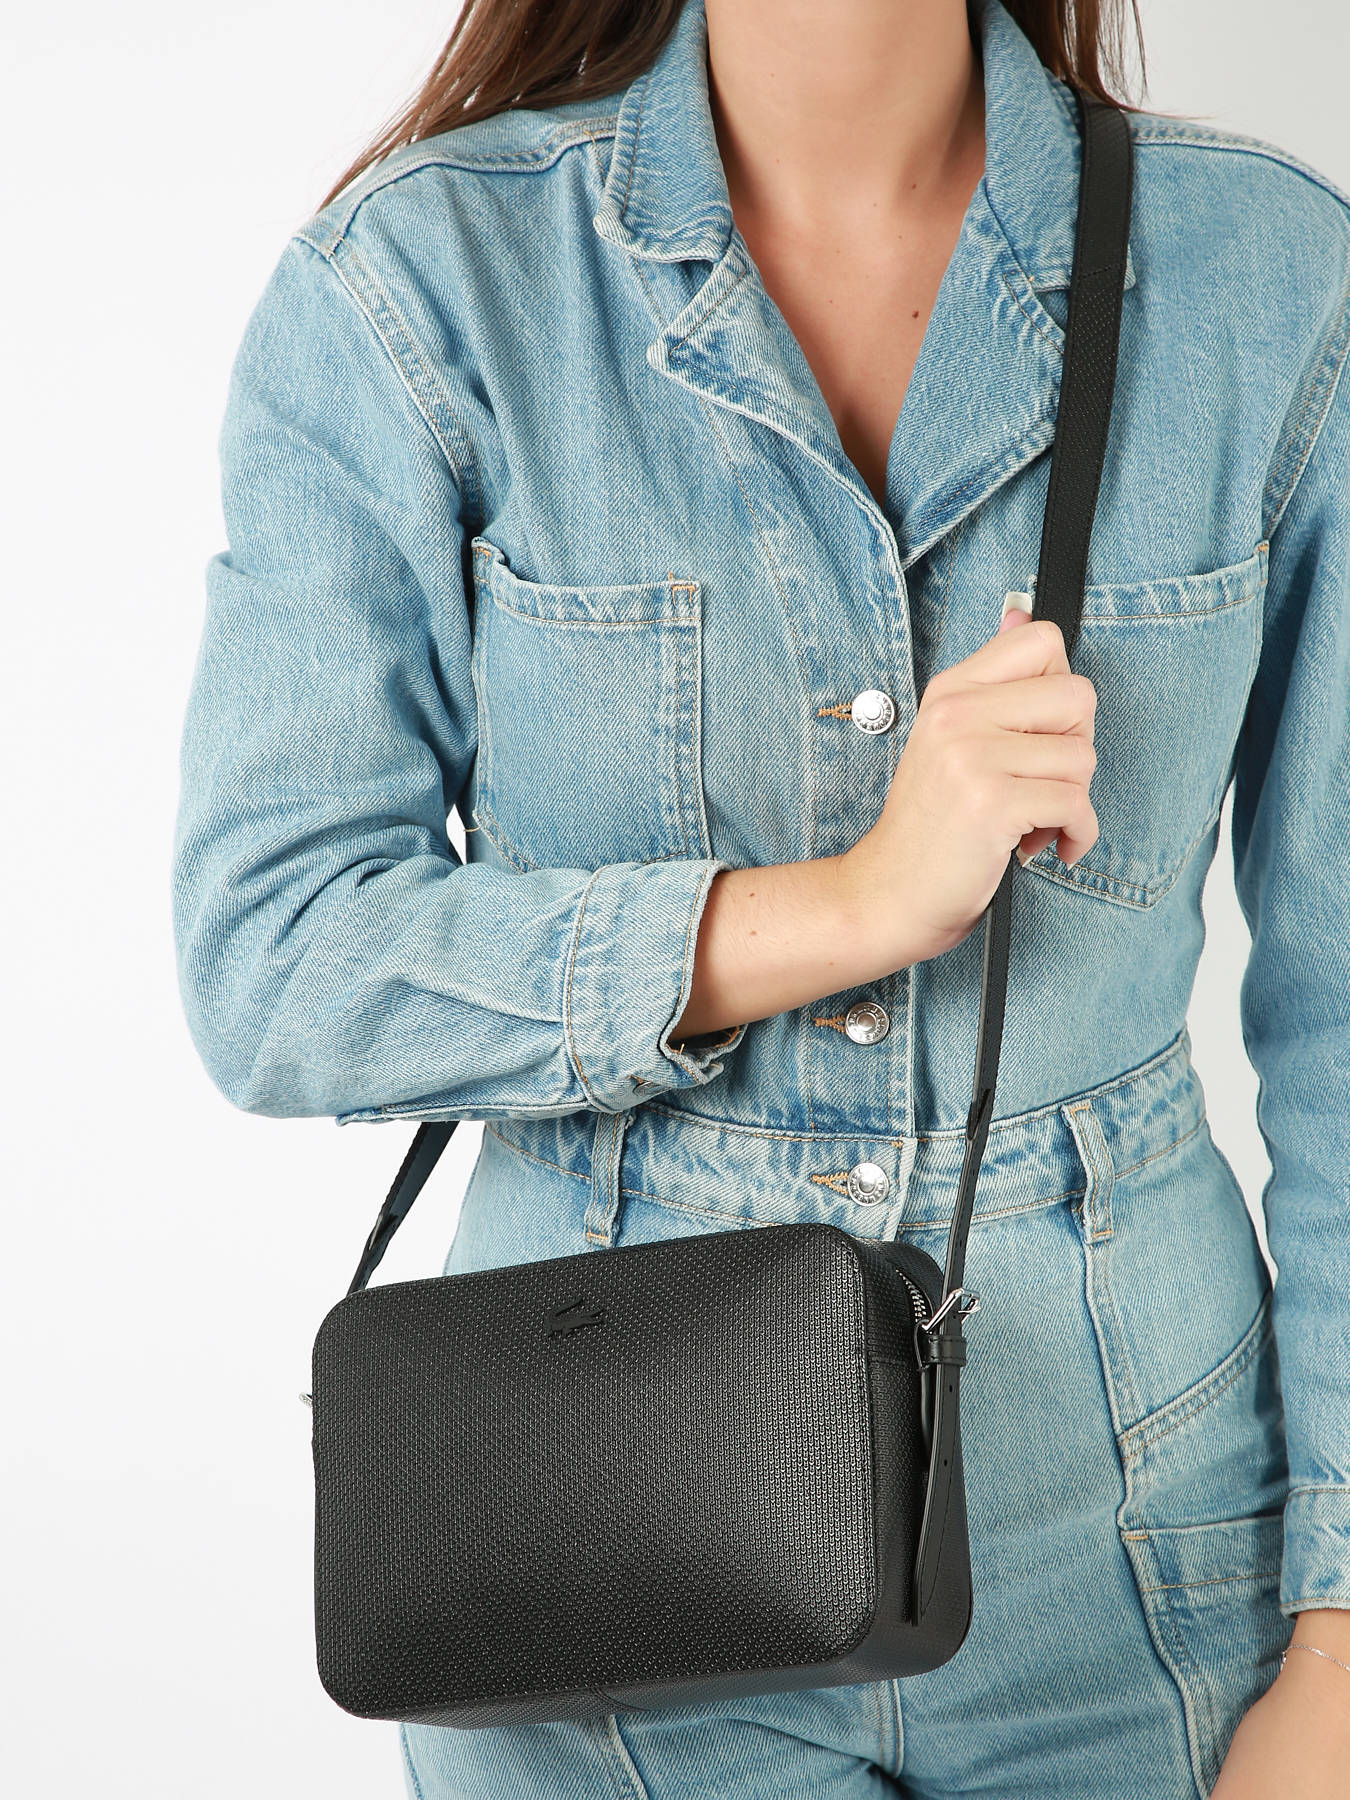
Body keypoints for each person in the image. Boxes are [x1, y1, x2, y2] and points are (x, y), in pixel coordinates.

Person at [172, 0, 1350, 1792]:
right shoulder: (419, 287)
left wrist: (1341, 1639)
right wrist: (855, 904)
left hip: (1136, 1558)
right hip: (592, 1550)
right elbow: (274, 959)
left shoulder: (1265, 274)